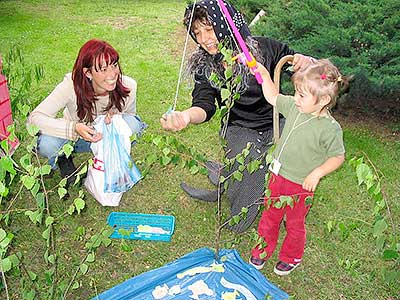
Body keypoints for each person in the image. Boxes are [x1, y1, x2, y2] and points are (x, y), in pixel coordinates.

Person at [160, 0, 314, 233]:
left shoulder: (264, 48)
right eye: (197, 32)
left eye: (209, 29)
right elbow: (203, 105)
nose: (203, 39)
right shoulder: (206, 66)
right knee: (252, 162)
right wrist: (185, 117)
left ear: (225, 23)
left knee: (291, 156)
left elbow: (294, 62)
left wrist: (305, 61)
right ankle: (237, 222)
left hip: (277, 120)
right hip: (238, 126)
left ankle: (285, 208)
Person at [248, 58, 347, 275]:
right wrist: (264, 74)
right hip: (277, 175)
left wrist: (317, 173)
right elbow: (273, 97)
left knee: (294, 223)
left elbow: (338, 156)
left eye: (301, 95)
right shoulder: (295, 107)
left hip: (302, 185)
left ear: (323, 100)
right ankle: (261, 250)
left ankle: (291, 256)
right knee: (270, 216)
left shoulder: (329, 129)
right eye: (296, 92)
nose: (296, 98)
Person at [28, 39, 146, 186]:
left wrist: (116, 116)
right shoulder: (71, 85)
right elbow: (34, 118)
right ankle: (64, 157)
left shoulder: (129, 86)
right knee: (46, 144)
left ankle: (111, 158)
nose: (112, 74)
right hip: (74, 139)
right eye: (103, 69)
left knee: (133, 126)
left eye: (114, 65)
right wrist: (74, 128)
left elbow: (129, 117)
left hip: (102, 136)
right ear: (88, 73)